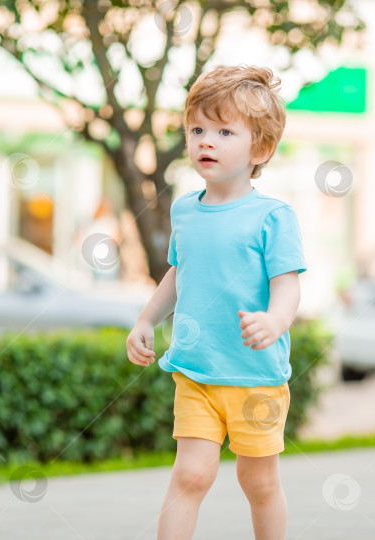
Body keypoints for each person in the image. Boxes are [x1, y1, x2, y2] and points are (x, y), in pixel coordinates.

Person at [126, 65, 307, 540]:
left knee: (259, 481)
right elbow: (179, 272)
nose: (206, 140)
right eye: (197, 129)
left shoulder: (273, 216)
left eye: (225, 131)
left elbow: (288, 284)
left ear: (260, 148)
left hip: (255, 377)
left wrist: (275, 319)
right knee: (191, 474)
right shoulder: (185, 208)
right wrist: (146, 319)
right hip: (198, 371)